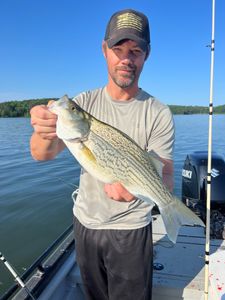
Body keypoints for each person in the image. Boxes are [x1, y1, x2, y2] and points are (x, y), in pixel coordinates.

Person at [30, 9, 175, 300]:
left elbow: (166, 175)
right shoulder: (83, 103)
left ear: (147, 55)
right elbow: (41, 154)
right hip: (85, 225)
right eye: (118, 49)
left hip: (131, 230)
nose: (126, 59)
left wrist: (141, 191)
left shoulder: (158, 112)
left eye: (135, 50)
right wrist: (44, 129)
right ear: (104, 49)